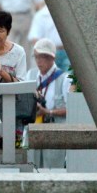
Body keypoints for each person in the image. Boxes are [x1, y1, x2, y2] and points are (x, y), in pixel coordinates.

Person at [25, 39, 71, 169]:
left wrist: (48, 112)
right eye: (37, 57)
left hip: (55, 133)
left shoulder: (64, 79)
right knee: (32, 168)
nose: (40, 61)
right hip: (35, 129)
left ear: (53, 57)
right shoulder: (31, 74)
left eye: (44, 57)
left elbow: (71, 109)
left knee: (54, 169)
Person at [28, 5, 70, 72]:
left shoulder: (68, 12)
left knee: (69, 78)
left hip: (67, 52)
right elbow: (34, 38)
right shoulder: (41, 15)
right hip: (48, 53)